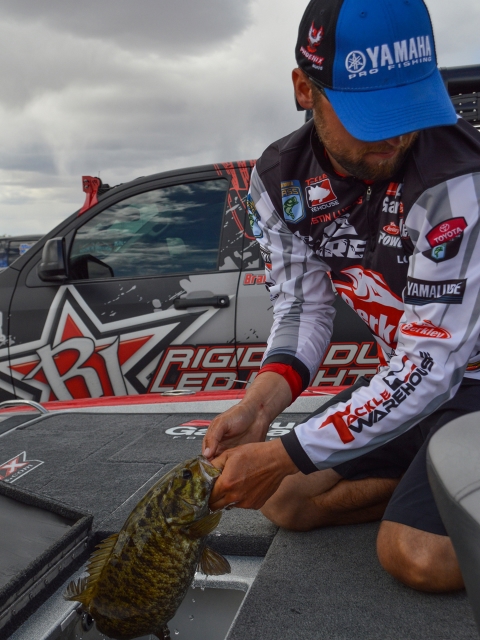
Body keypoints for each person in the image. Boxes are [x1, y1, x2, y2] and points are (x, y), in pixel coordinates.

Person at [203, 0, 480, 593]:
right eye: (372, 114)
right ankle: (433, 482)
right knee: (283, 501)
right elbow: (303, 307)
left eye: (410, 106)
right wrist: (259, 409)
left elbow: (433, 364)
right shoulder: (281, 178)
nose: (397, 134)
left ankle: (436, 499)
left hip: (468, 383)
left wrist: (285, 453)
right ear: (305, 89)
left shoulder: (456, 177)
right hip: (414, 380)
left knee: (417, 557)